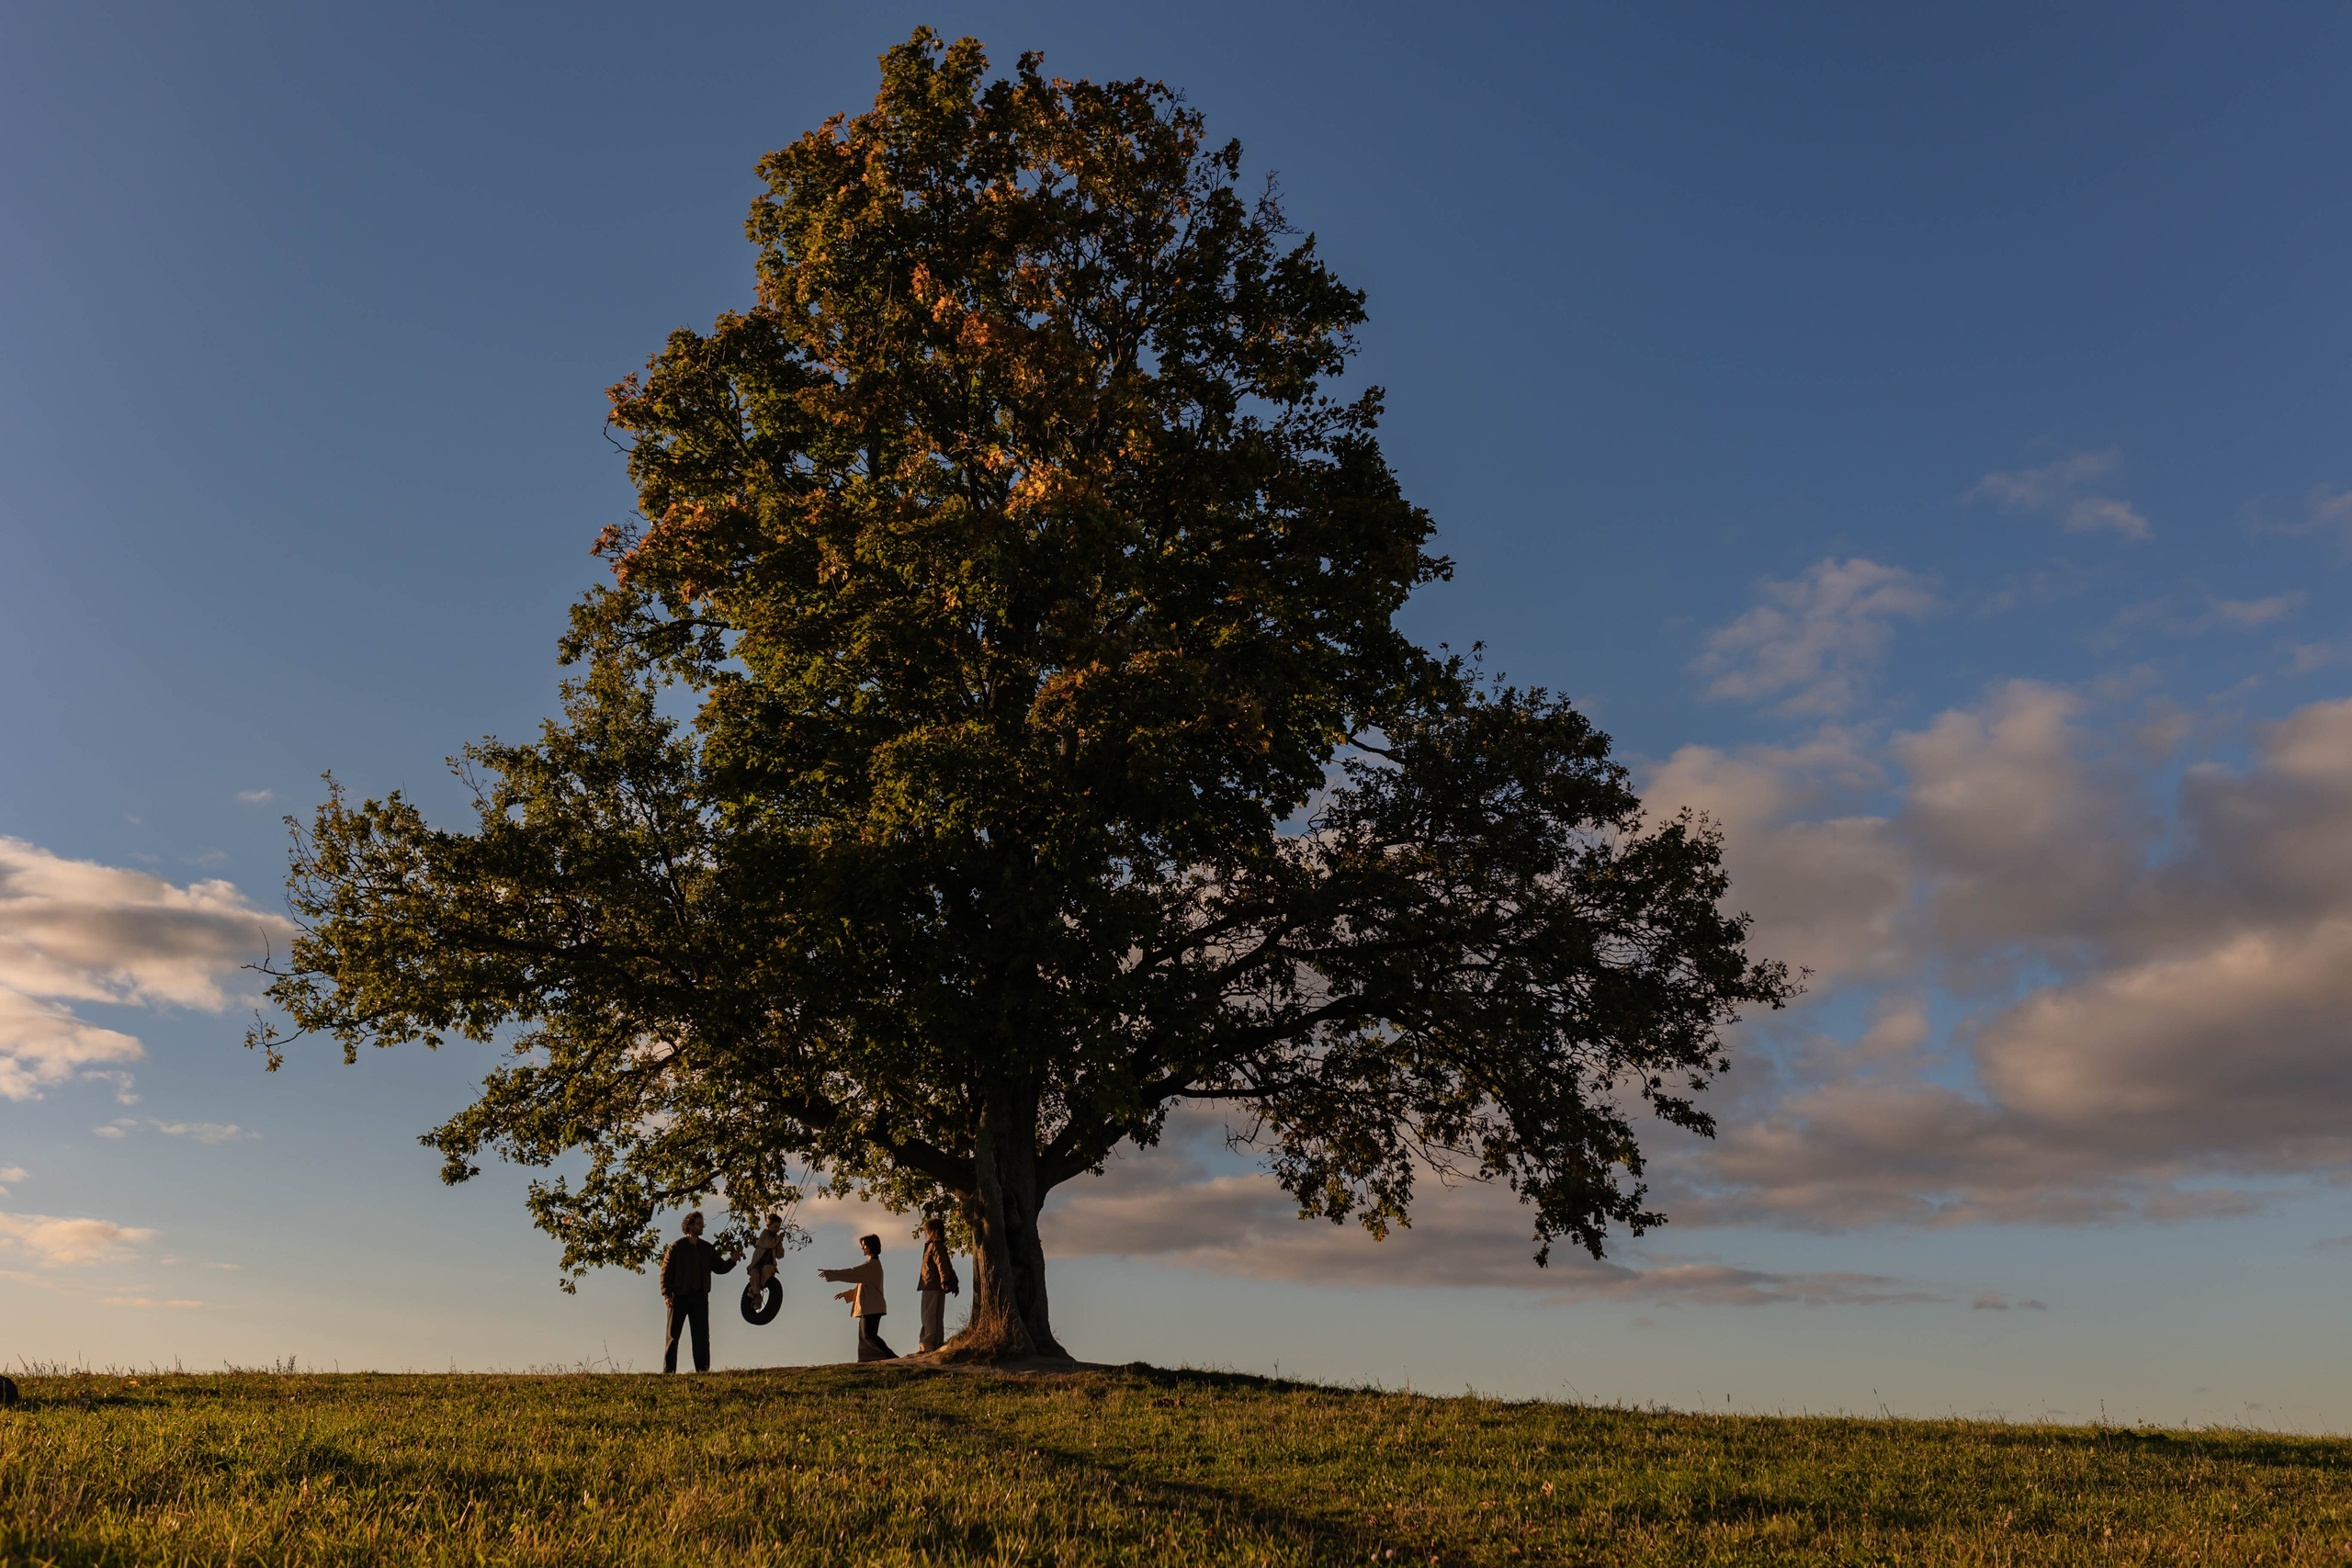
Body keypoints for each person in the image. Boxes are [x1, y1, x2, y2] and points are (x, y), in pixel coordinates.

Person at [659, 1211, 740, 1373]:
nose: (702, 1227)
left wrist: (732, 1260)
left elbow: (719, 1268)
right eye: (699, 1224)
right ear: (689, 1226)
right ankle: (669, 1372)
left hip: (700, 1297)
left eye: (703, 1224)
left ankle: (703, 1371)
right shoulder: (677, 1247)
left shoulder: (706, 1248)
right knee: (673, 1336)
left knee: (702, 1337)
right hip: (679, 1296)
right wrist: (667, 1294)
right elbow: (665, 1272)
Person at [818, 1233, 895, 1360]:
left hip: (873, 1307)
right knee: (865, 1335)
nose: (863, 1248)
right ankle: (867, 1359)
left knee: (869, 1335)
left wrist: (830, 1273)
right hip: (870, 1307)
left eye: (864, 1246)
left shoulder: (871, 1266)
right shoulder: (870, 1265)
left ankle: (890, 1356)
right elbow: (862, 1287)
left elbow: (852, 1273)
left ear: (871, 1247)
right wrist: (847, 1294)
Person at [916, 1215, 960, 1353]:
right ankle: (936, 1343)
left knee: (928, 1316)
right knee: (936, 1316)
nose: (926, 1233)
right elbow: (947, 1265)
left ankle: (927, 1345)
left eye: (927, 1231)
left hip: (931, 1285)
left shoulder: (933, 1246)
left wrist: (945, 1280)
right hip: (937, 1285)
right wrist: (950, 1281)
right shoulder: (940, 1246)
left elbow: (942, 1265)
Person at [744, 1213, 789, 1301]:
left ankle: (755, 1289)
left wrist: (779, 1242)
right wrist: (778, 1239)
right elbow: (769, 1244)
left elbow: (780, 1255)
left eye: (778, 1227)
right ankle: (757, 1295)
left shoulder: (776, 1239)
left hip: (768, 1265)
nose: (777, 1229)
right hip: (757, 1265)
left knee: (768, 1269)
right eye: (775, 1227)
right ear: (769, 1226)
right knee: (755, 1274)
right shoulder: (765, 1234)